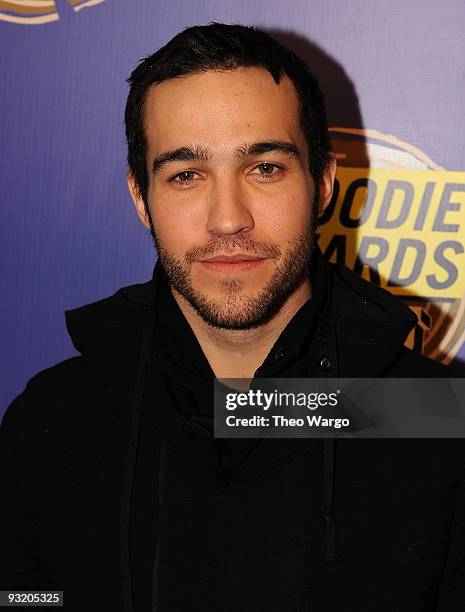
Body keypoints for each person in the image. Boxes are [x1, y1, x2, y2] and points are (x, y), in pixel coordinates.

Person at [1, 22, 464, 612]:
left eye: (265, 168)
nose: (228, 219)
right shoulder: (52, 421)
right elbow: (25, 596)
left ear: (322, 184)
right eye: (186, 175)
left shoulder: (439, 419)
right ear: (142, 199)